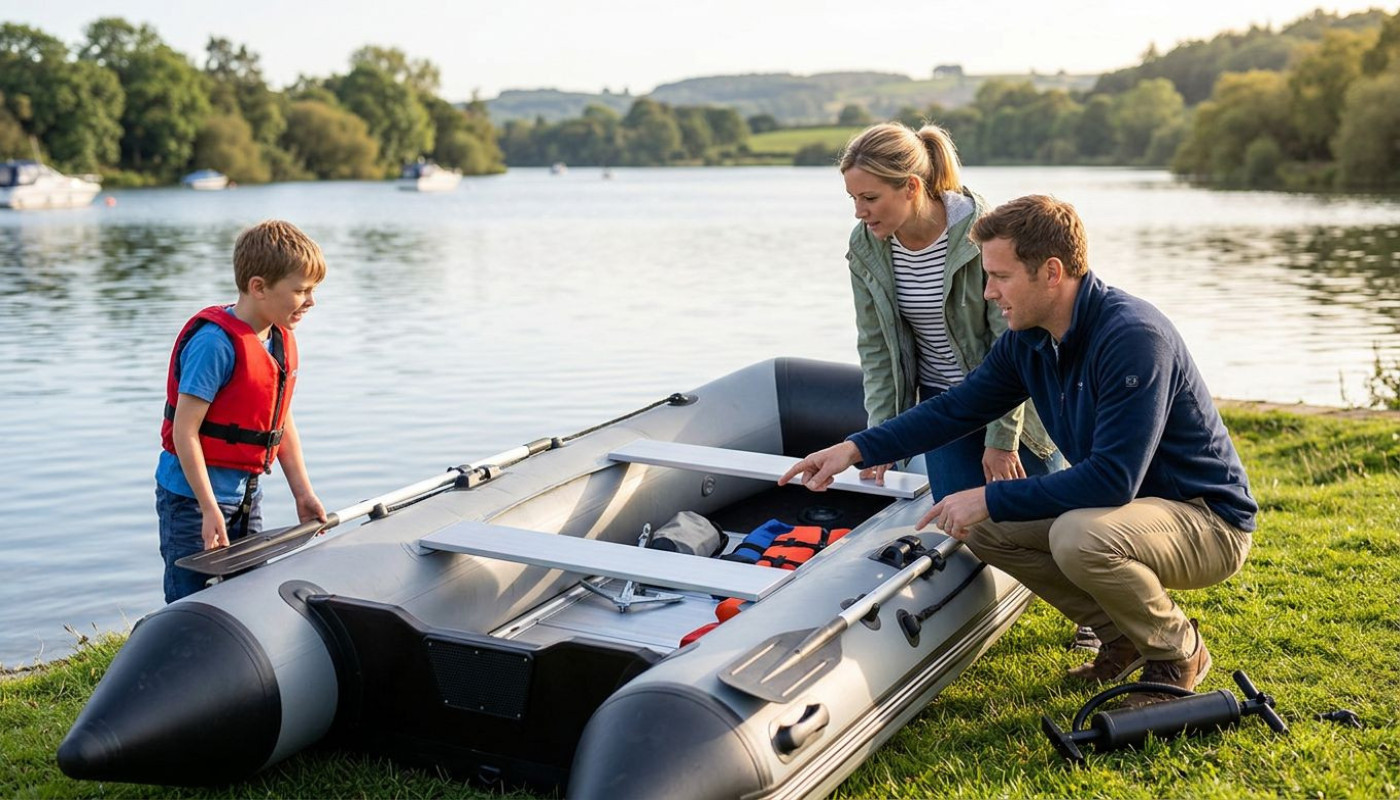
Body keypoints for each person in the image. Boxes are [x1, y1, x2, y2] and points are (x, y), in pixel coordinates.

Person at [780, 195, 1256, 707]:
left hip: (1207, 521)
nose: (988, 293)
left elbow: (1112, 480)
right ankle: (1120, 637)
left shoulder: (1133, 337)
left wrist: (990, 497)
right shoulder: (1029, 340)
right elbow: (954, 409)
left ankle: (1178, 653)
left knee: (1077, 537)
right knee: (979, 527)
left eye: (1000, 277)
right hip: (1130, 511)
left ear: (1051, 272)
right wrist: (855, 448)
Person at [840, 122, 1095, 652]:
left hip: (1014, 395)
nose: (860, 211)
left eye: (870, 198)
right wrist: (883, 435)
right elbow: (876, 347)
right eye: (853, 199)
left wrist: (1002, 439)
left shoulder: (979, 231)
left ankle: (1097, 617)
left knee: (1054, 514)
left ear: (911, 186)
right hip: (942, 405)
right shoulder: (867, 245)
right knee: (967, 525)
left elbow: (1017, 336)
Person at [155, 220, 328, 603]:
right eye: (301, 290)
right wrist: (208, 508)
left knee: (249, 595)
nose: (311, 301)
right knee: (192, 601)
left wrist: (302, 493)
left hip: (246, 498)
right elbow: (185, 431)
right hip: (190, 500)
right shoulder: (215, 345)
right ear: (258, 287)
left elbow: (278, 421)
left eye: (312, 290)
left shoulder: (279, 340)